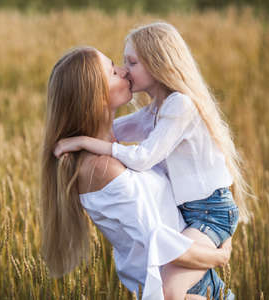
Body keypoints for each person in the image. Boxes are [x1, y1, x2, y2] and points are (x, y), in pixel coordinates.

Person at [53, 23, 250, 298]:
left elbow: (140, 155)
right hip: (196, 242)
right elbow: (155, 243)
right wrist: (220, 257)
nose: (124, 71)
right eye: (115, 69)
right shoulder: (106, 164)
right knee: (170, 289)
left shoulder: (176, 106)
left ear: (158, 65)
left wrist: (85, 141)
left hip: (208, 218)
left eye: (130, 63)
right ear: (94, 96)